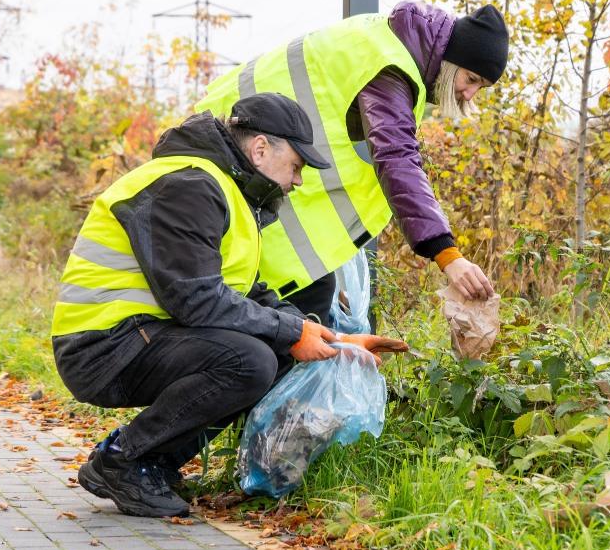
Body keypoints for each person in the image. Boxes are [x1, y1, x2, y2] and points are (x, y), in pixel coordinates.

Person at [50, 93, 392, 518]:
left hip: (137, 335)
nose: (299, 180)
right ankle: (124, 459)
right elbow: (195, 299)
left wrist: (333, 338)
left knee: (272, 351)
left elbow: (243, 291)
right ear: (261, 149)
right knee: (249, 361)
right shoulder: (188, 185)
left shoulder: (222, 189)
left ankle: (152, 462)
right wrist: (291, 333)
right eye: (297, 166)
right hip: (100, 346)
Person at [194, 1, 507, 324]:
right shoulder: (391, 67)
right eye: (470, 79)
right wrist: (447, 255)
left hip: (237, 149)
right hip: (239, 156)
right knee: (292, 310)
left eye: (480, 87)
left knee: (296, 304)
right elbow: (396, 157)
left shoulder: (384, 39)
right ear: (450, 59)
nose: (469, 94)